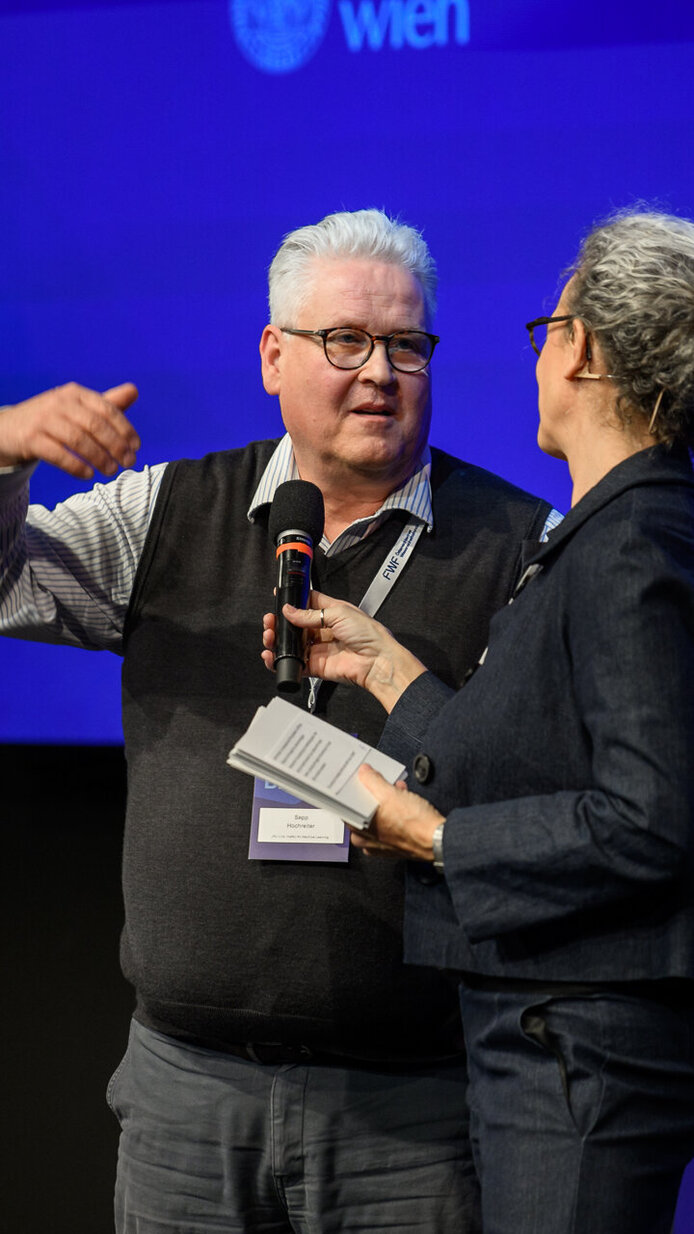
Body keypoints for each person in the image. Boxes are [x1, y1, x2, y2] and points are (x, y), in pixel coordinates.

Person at [0, 209, 555, 1234]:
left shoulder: (524, 548)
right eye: (345, 340)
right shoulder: (170, 510)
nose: (379, 371)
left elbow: (542, 796)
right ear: (272, 355)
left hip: (416, 1110)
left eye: (406, 344)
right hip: (187, 1098)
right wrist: (3, 450)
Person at [266, 209, 694, 1234]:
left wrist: (438, 839)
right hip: (549, 1042)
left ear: (580, 348)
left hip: (576, 1058)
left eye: (549, 327)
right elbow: (531, 753)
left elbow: (650, 818)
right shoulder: (608, 532)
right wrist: (387, 666)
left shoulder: (632, 539)